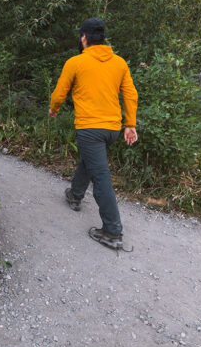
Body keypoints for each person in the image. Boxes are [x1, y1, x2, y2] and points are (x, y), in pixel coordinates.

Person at [48, 17, 138, 249]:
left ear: (84, 38)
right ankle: (75, 195)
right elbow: (130, 94)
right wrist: (130, 124)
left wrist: (54, 108)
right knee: (91, 161)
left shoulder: (76, 62)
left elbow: (60, 93)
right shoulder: (119, 63)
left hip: (90, 128)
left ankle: (112, 231)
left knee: (101, 177)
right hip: (112, 129)